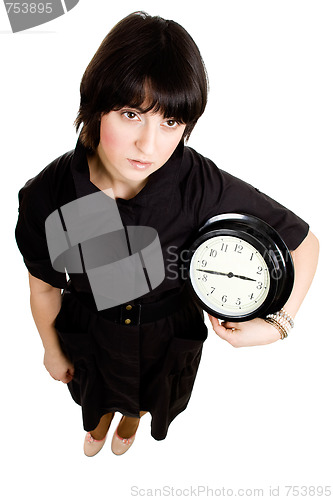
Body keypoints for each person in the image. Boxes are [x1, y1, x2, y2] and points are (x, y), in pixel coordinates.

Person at [15, 11, 319, 457]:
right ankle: (99, 424)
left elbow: (304, 243)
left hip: (166, 334)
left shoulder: (197, 182)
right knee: (93, 396)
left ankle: (132, 422)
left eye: (171, 122)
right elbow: (44, 287)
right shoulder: (50, 194)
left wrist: (279, 325)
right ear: (97, 104)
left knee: (146, 398)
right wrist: (51, 349)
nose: (150, 145)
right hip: (91, 331)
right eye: (131, 114)